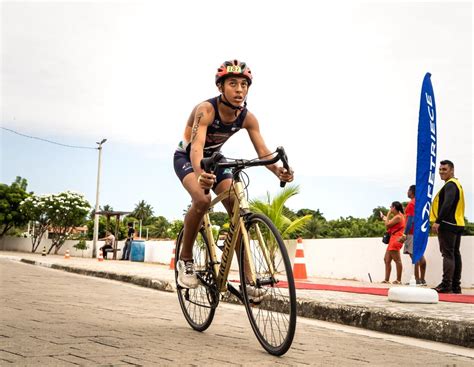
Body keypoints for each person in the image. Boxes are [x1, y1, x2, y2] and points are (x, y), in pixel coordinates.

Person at [173, 59, 294, 289]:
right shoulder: (206, 110)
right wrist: (200, 173)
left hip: (217, 159)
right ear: (220, 87)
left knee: (236, 207)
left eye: (244, 85)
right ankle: (185, 260)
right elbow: (196, 147)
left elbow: (263, 152)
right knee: (202, 199)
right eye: (232, 84)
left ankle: (248, 281)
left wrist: (277, 170)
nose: (239, 90)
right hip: (187, 157)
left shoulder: (247, 118)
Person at [430, 160, 465, 294]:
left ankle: (446, 285)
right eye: (440, 169)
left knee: (448, 254)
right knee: (455, 254)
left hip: (448, 224)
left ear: (452, 170)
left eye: (444, 169)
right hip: (457, 223)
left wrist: (438, 221)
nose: (441, 172)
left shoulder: (450, 185)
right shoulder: (457, 184)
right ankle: (456, 286)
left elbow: (447, 203)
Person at [399, 185, 427, 285]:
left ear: (412, 191)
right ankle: (422, 279)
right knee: (420, 255)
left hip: (411, 233)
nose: (407, 192)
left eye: (408, 190)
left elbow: (410, 220)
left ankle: (416, 280)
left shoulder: (411, 204)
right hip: (420, 232)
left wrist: (404, 234)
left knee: (414, 257)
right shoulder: (419, 203)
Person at [380, 202, 405, 284]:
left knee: (397, 260)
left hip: (396, 239)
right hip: (393, 239)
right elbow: (390, 221)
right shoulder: (398, 216)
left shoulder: (398, 217)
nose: (390, 208)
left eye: (391, 207)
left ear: (394, 207)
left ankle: (398, 280)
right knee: (386, 259)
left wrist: (388, 213)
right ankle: (386, 279)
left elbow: (387, 225)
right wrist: (384, 217)